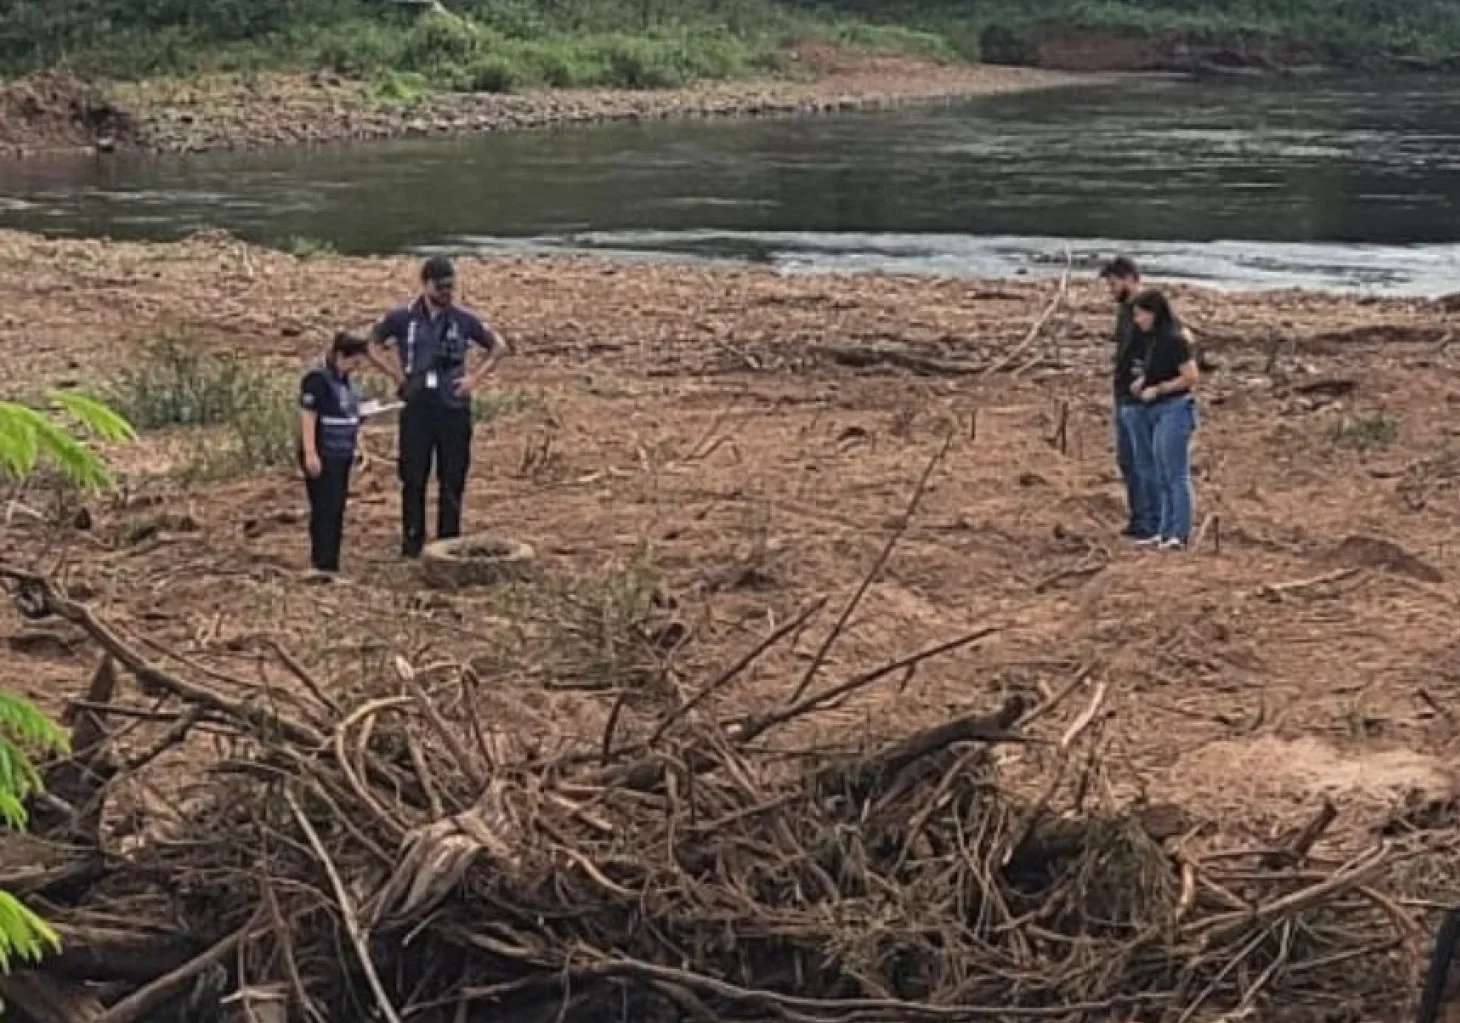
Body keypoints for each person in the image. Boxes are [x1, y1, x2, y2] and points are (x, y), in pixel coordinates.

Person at [366, 255, 508, 558]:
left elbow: (498, 345)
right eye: (441, 287)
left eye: (450, 287)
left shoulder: (462, 318)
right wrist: (396, 375)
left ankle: (448, 543)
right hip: (417, 405)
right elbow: (372, 342)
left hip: (452, 406)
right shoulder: (403, 317)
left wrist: (474, 378)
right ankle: (412, 543)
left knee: (452, 478)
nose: (446, 293)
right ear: (425, 284)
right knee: (413, 477)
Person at [1129, 289, 1201, 551]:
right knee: (1161, 471)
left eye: (1140, 314)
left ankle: (1179, 533)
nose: (1137, 320)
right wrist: (1143, 382)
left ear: (1154, 313)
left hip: (1175, 409)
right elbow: (1160, 369)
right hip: (1157, 410)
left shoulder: (1175, 339)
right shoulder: (1154, 340)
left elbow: (1190, 376)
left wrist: (1159, 390)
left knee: (1175, 473)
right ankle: (1164, 530)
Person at [1099, 255, 1159, 544]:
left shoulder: (1148, 310)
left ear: (1130, 279)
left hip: (1137, 397)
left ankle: (1151, 520)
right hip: (1123, 392)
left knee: (1142, 459)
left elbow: (1165, 346)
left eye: (1114, 284)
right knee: (1127, 459)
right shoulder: (1125, 311)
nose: (1111, 290)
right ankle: (1139, 518)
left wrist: (1147, 380)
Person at [298, 331, 369, 574]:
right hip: (323, 451)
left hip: (342, 452)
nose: (355, 368)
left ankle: (331, 560)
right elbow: (308, 416)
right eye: (354, 362)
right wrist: (310, 453)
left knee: (337, 506)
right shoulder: (317, 380)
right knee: (324, 508)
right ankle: (321, 562)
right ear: (340, 355)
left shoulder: (345, 381)